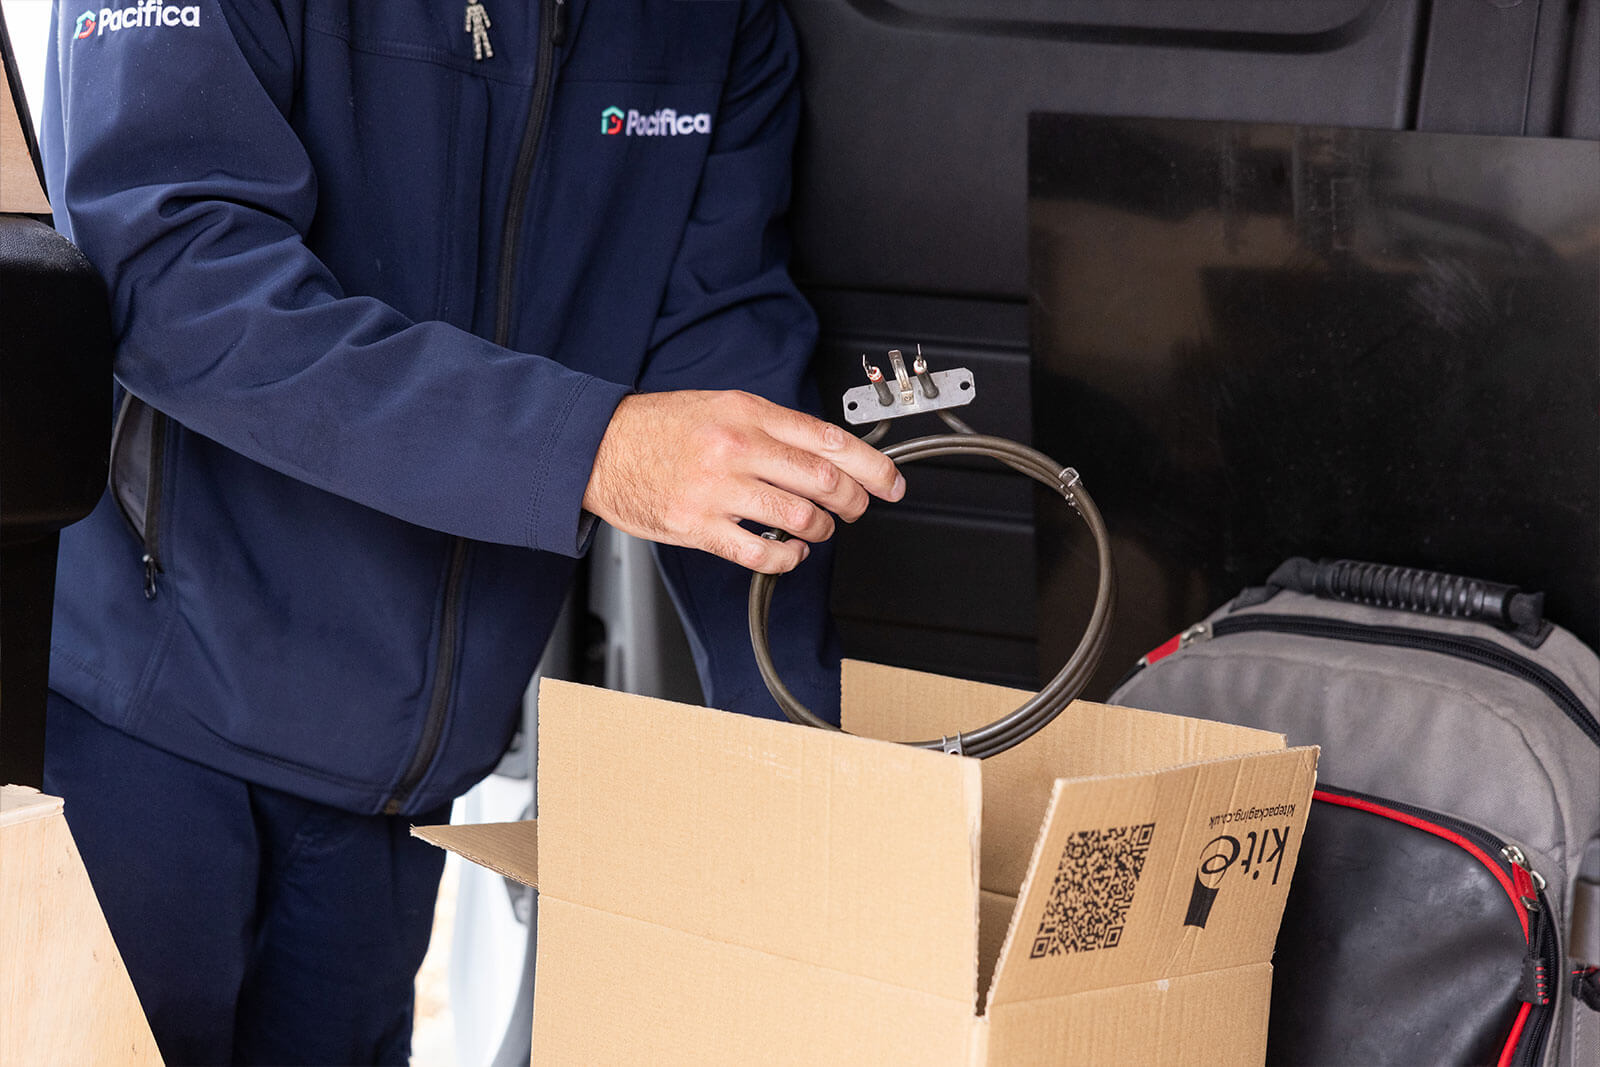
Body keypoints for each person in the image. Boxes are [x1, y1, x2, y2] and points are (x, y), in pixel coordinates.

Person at [38, 1, 903, 1062]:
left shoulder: (712, 23)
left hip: (399, 772)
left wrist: (798, 748)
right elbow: (172, 277)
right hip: (146, 718)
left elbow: (722, 347)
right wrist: (589, 448)